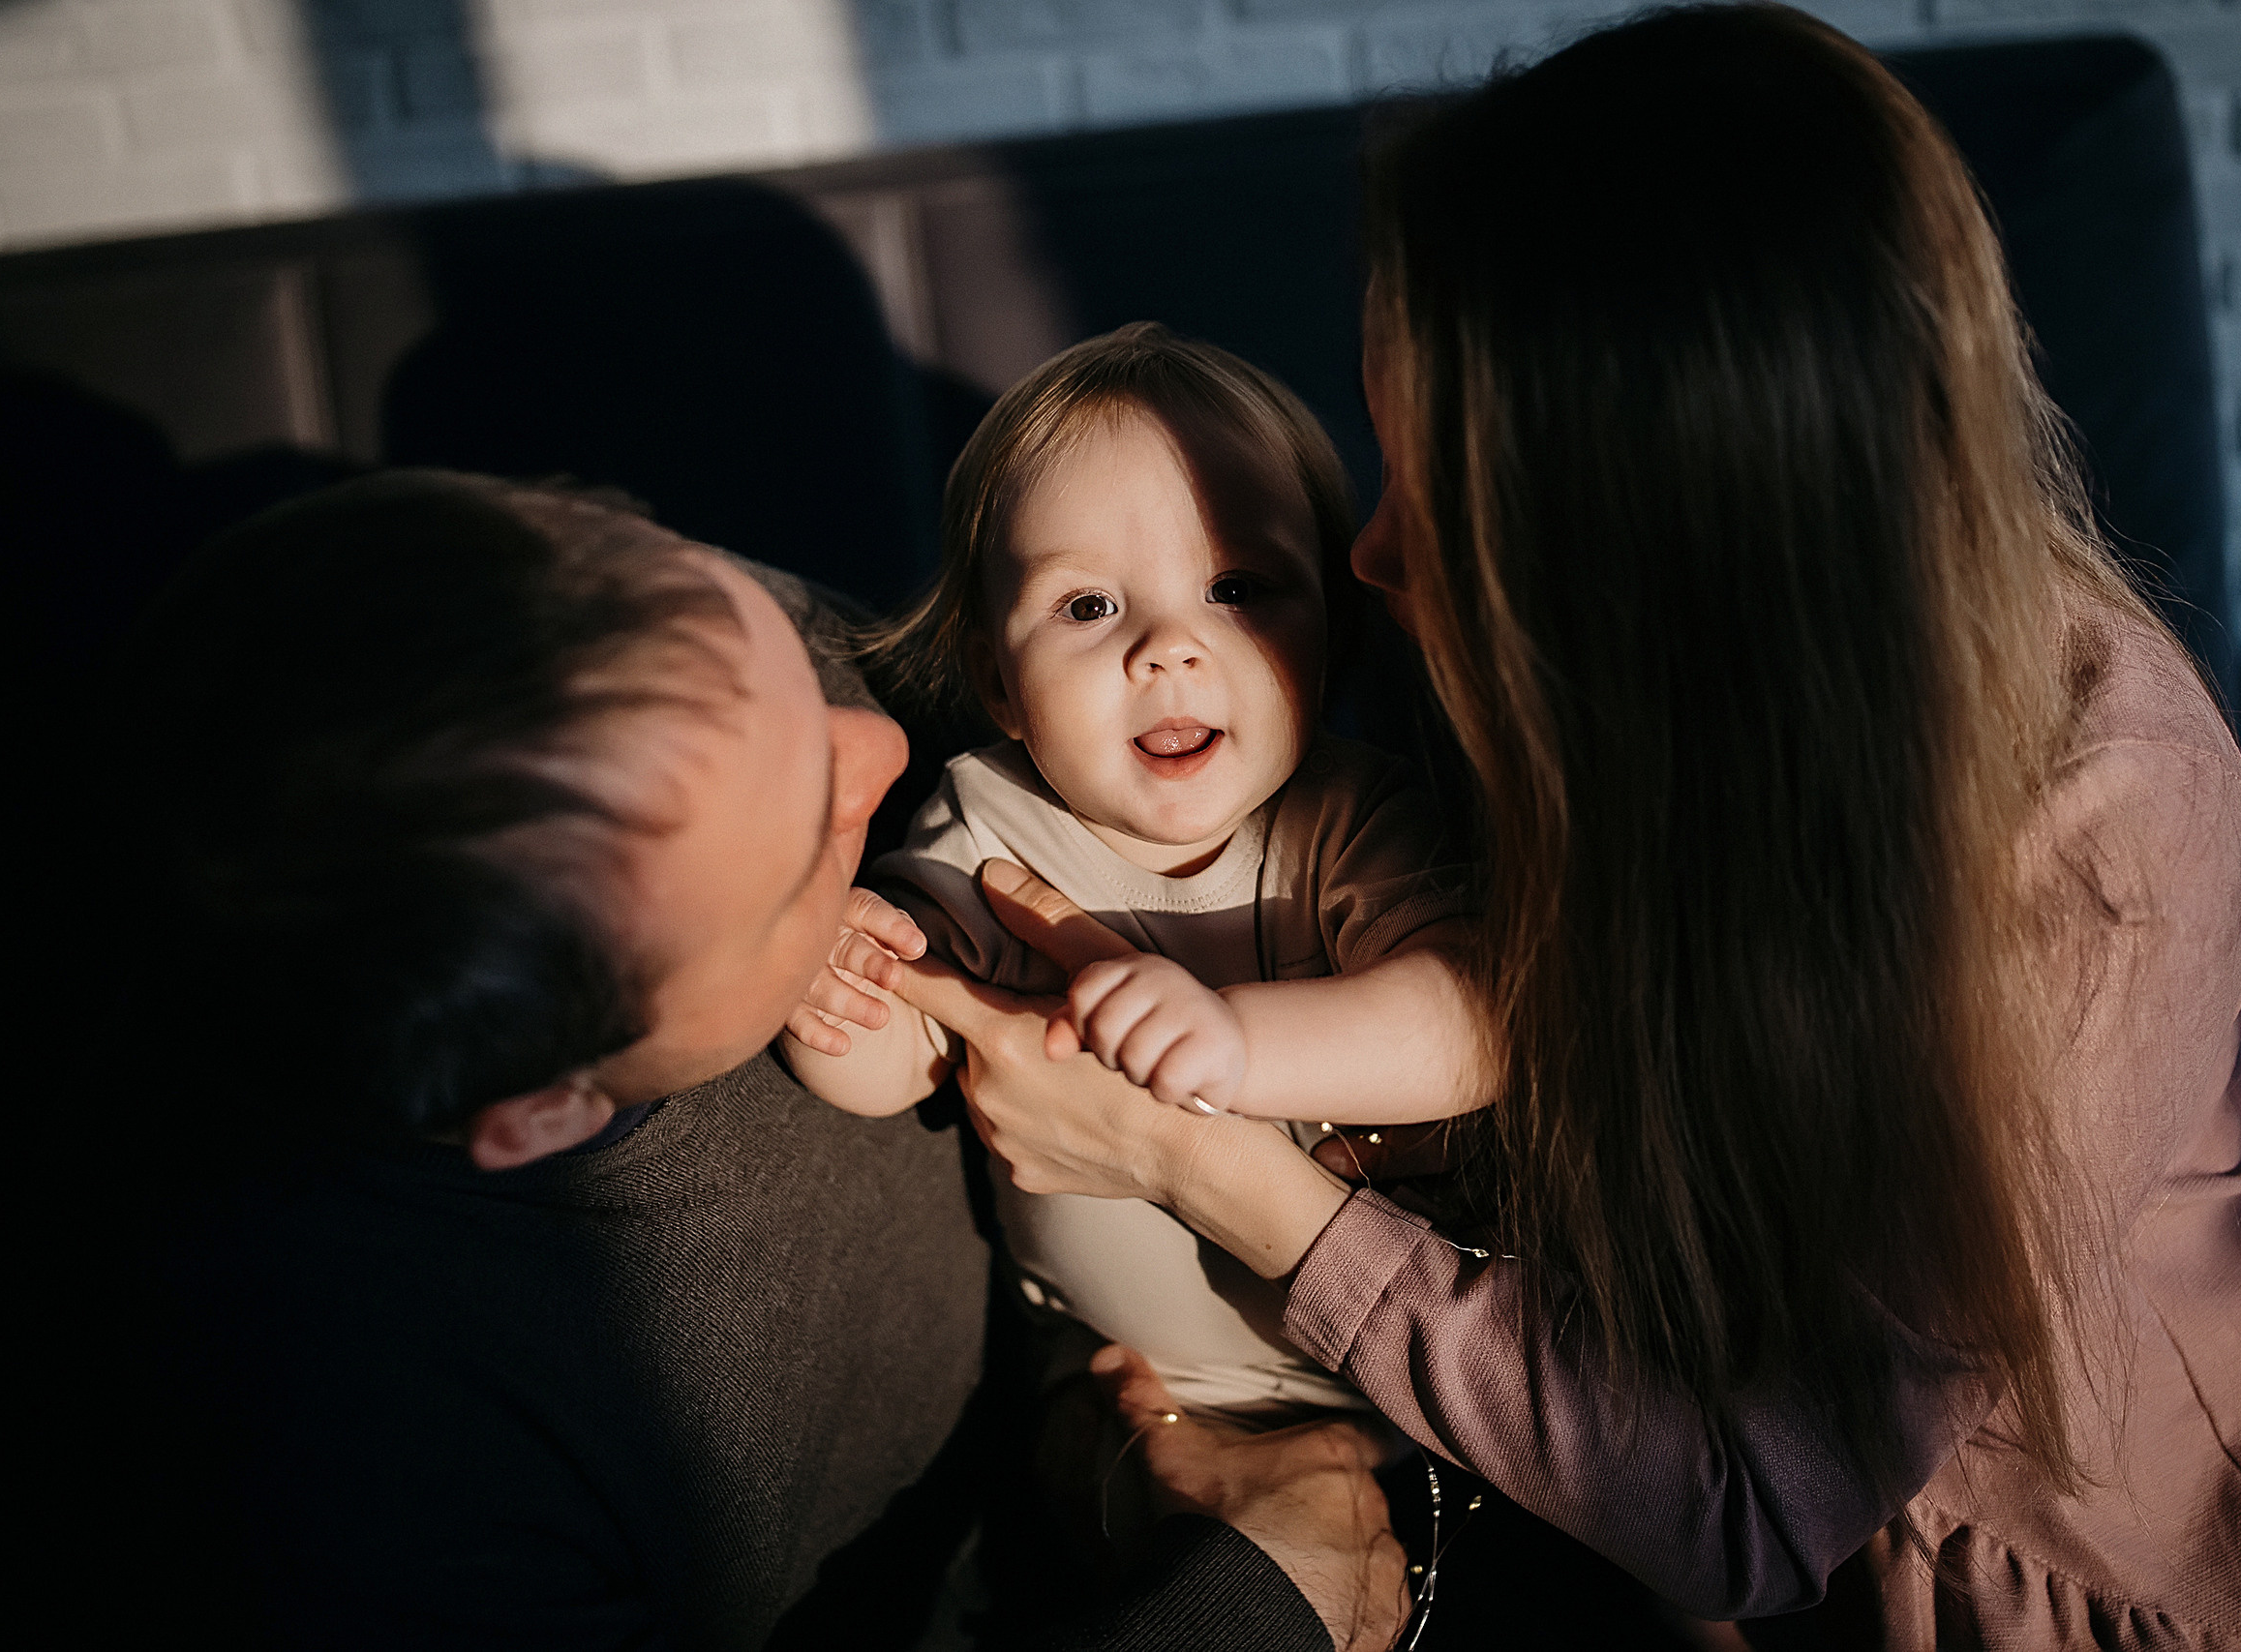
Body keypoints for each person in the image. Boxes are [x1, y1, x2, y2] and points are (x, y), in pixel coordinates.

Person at [892, 7, 2241, 1646]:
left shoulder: (2087, 856)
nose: (1373, 565)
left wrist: (1196, 1161)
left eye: (1437, 497)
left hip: (2113, 1578)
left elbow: (1745, 1501)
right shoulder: (1605, 696)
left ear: (1640, 548)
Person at [118, 470, 1409, 1650]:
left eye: (781, 649)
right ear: (548, 1103)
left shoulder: (744, 670)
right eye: (811, 842)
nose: (888, 753)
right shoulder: (397, 1481)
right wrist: (1246, 1608)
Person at [781, 324, 1487, 1430]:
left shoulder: (1354, 821)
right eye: (1089, 607)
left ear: (1332, 642)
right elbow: (885, 1071)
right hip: (1151, 1397)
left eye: (1238, 589)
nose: (1167, 647)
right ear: (1000, 682)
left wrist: (1235, 1045)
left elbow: (1473, 1025)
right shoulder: (990, 828)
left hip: (1419, 1377)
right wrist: (831, 970)